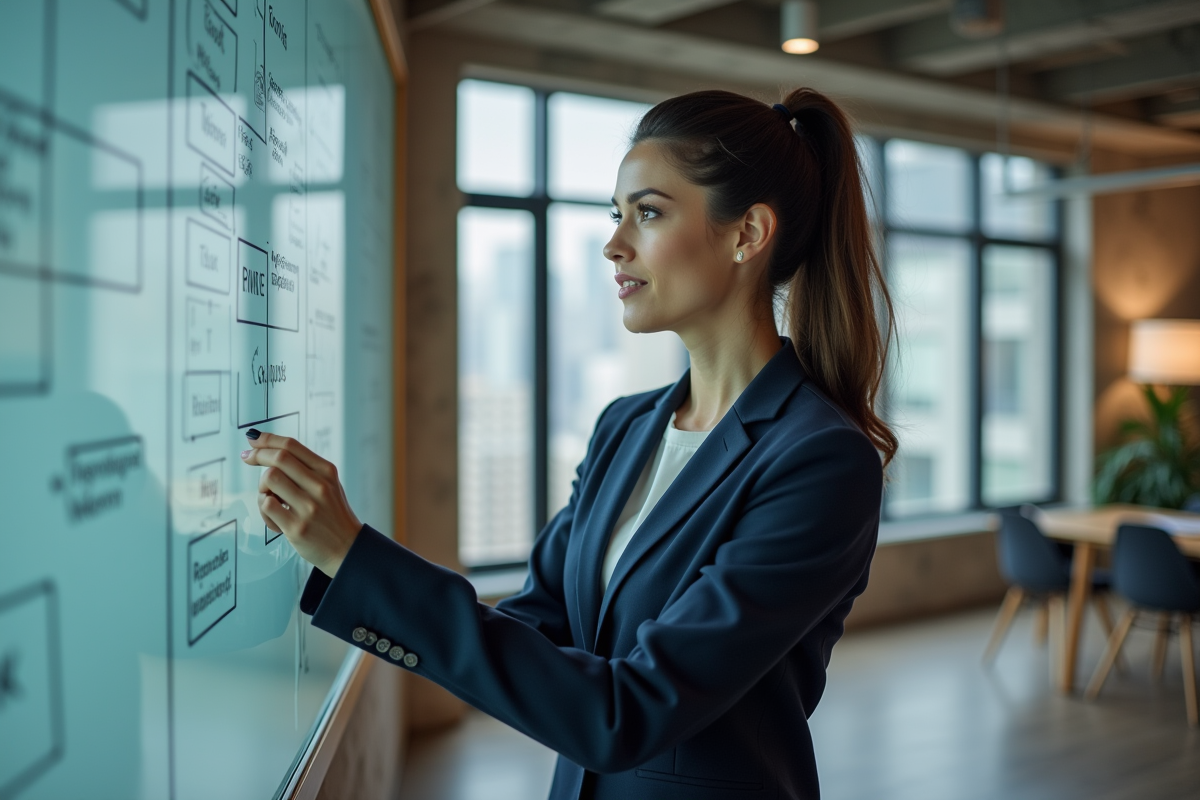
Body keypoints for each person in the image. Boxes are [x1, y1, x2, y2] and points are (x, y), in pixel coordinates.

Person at [240, 86, 897, 799]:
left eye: (648, 213)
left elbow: (627, 712)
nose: (614, 244)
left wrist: (354, 554)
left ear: (747, 234)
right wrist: (328, 568)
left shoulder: (820, 460)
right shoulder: (626, 427)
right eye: (617, 216)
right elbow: (538, 625)